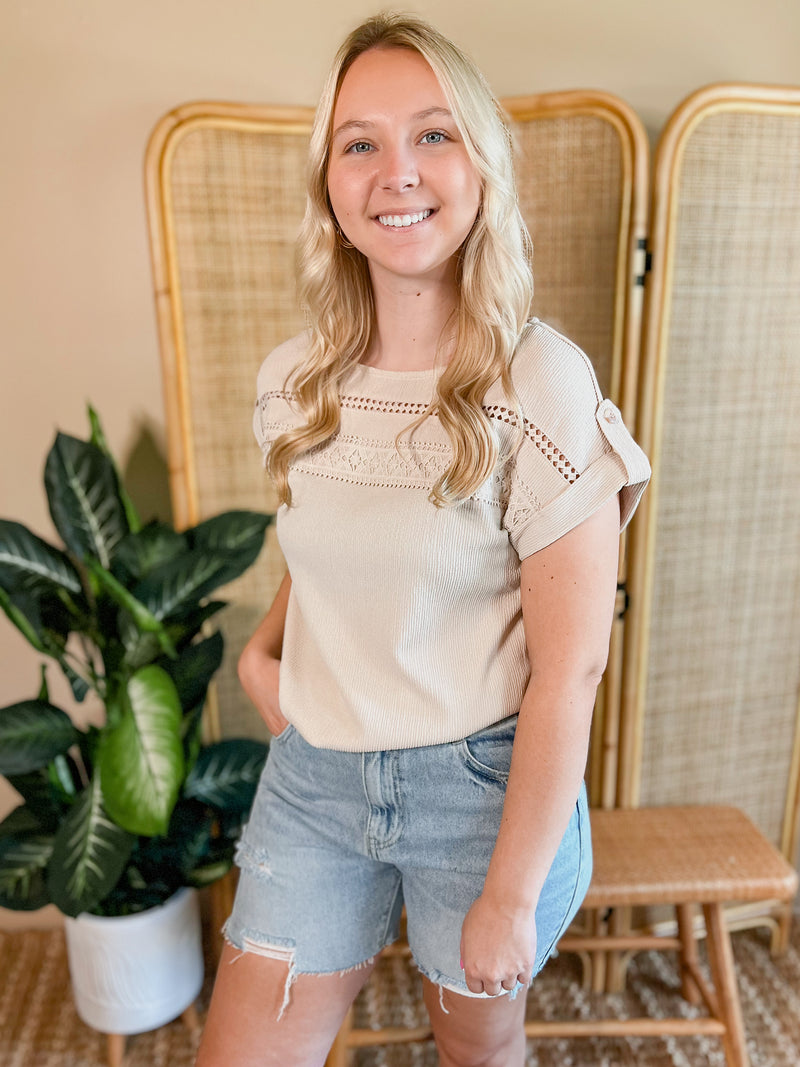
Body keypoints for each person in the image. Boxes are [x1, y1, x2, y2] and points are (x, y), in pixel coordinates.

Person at [197, 12, 650, 1067]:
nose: (396, 171)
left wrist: (508, 890)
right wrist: (267, 648)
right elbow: (333, 544)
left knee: (475, 1051)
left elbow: (570, 664)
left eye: (432, 135)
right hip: (314, 779)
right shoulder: (292, 381)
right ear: (329, 186)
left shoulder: (538, 384)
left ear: (482, 162)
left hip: (481, 791)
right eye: (360, 143)